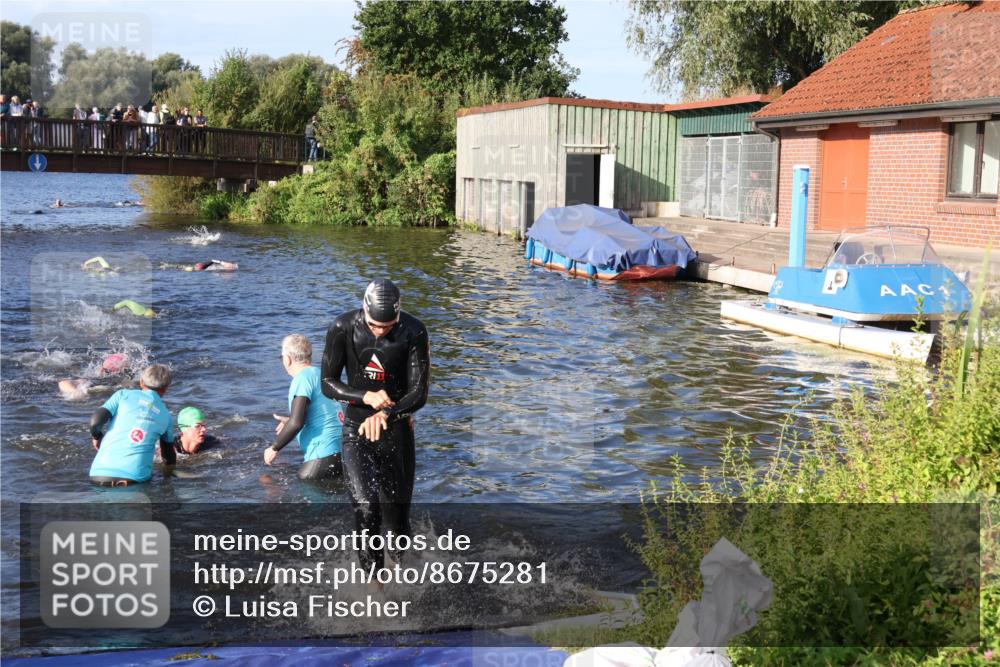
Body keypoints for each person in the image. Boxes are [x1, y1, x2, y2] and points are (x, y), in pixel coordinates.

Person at [321, 279, 430, 570]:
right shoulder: (343, 328)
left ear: (398, 313)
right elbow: (327, 383)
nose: (381, 331)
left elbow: (419, 393)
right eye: (374, 325)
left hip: (396, 431)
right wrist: (365, 396)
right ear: (364, 310)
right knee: (366, 508)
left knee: (396, 521)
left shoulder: (413, 331)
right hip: (356, 429)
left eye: (388, 325)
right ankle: (375, 586)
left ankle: (401, 571)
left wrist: (387, 414)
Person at [265, 334, 344, 481]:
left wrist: (274, 448)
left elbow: (297, 423)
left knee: (268, 482)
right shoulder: (322, 374)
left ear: (287, 359)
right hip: (342, 455)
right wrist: (289, 420)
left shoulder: (302, 378)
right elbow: (325, 412)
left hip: (320, 457)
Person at [88, 364, 176, 486]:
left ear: (141, 382)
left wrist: (97, 437)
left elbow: (95, 422)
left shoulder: (122, 395)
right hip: (134, 480)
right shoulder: (166, 416)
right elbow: (168, 456)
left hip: (98, 475)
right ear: (166, 388)